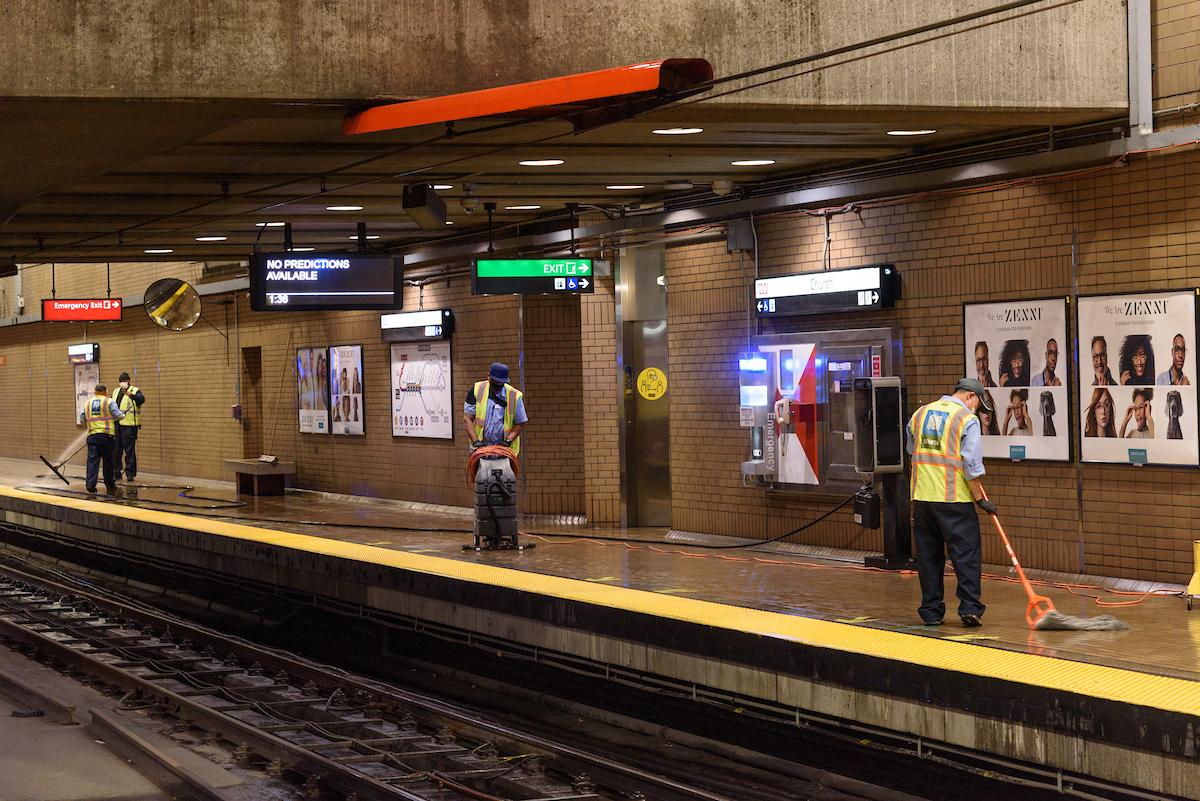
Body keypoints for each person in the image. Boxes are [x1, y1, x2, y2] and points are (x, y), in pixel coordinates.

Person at [906, 378, 993, 628]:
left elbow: (912, 448)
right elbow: (971, 465)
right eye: (978, 404)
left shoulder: (921, 413)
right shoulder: (967, 419)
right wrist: (981, 499)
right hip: (954, 499)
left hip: (922, 498)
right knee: (965, 555)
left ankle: (931, 611)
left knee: (929, 557)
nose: (977, 410)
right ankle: (969, 609)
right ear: (972, 397)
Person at [463, 362, 528, 454]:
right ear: (488, 376)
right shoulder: (477, 389)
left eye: (500, 383)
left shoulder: (514, 395)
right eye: (495, 382)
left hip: (505, 451)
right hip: (480, 449)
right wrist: (475, 441)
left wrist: (508, 441)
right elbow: (467, 418)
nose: (497, 385)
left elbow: (520, 423)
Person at [79, 383, 124, 494]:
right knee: (108, 462)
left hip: (92, 436)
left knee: (92, 462)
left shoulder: (88, 403)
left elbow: (82, 419)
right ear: (105, 391)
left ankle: (90, 485)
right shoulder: (109, 401)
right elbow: (119, 415)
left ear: (95, 392)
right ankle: (110, 485)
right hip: (106, 437)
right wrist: (122, 415)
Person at [112, 371, 145, 482]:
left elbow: (141, 400)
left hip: (129, 426)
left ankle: (130, 473)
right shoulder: (116, 391)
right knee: (116, 450)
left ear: (128, 381)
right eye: (120, 381)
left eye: (124, 381)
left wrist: (132, 395)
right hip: (117, 424)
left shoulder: (135, 390)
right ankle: (116, 472)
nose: (122, 383)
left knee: (129, 450)